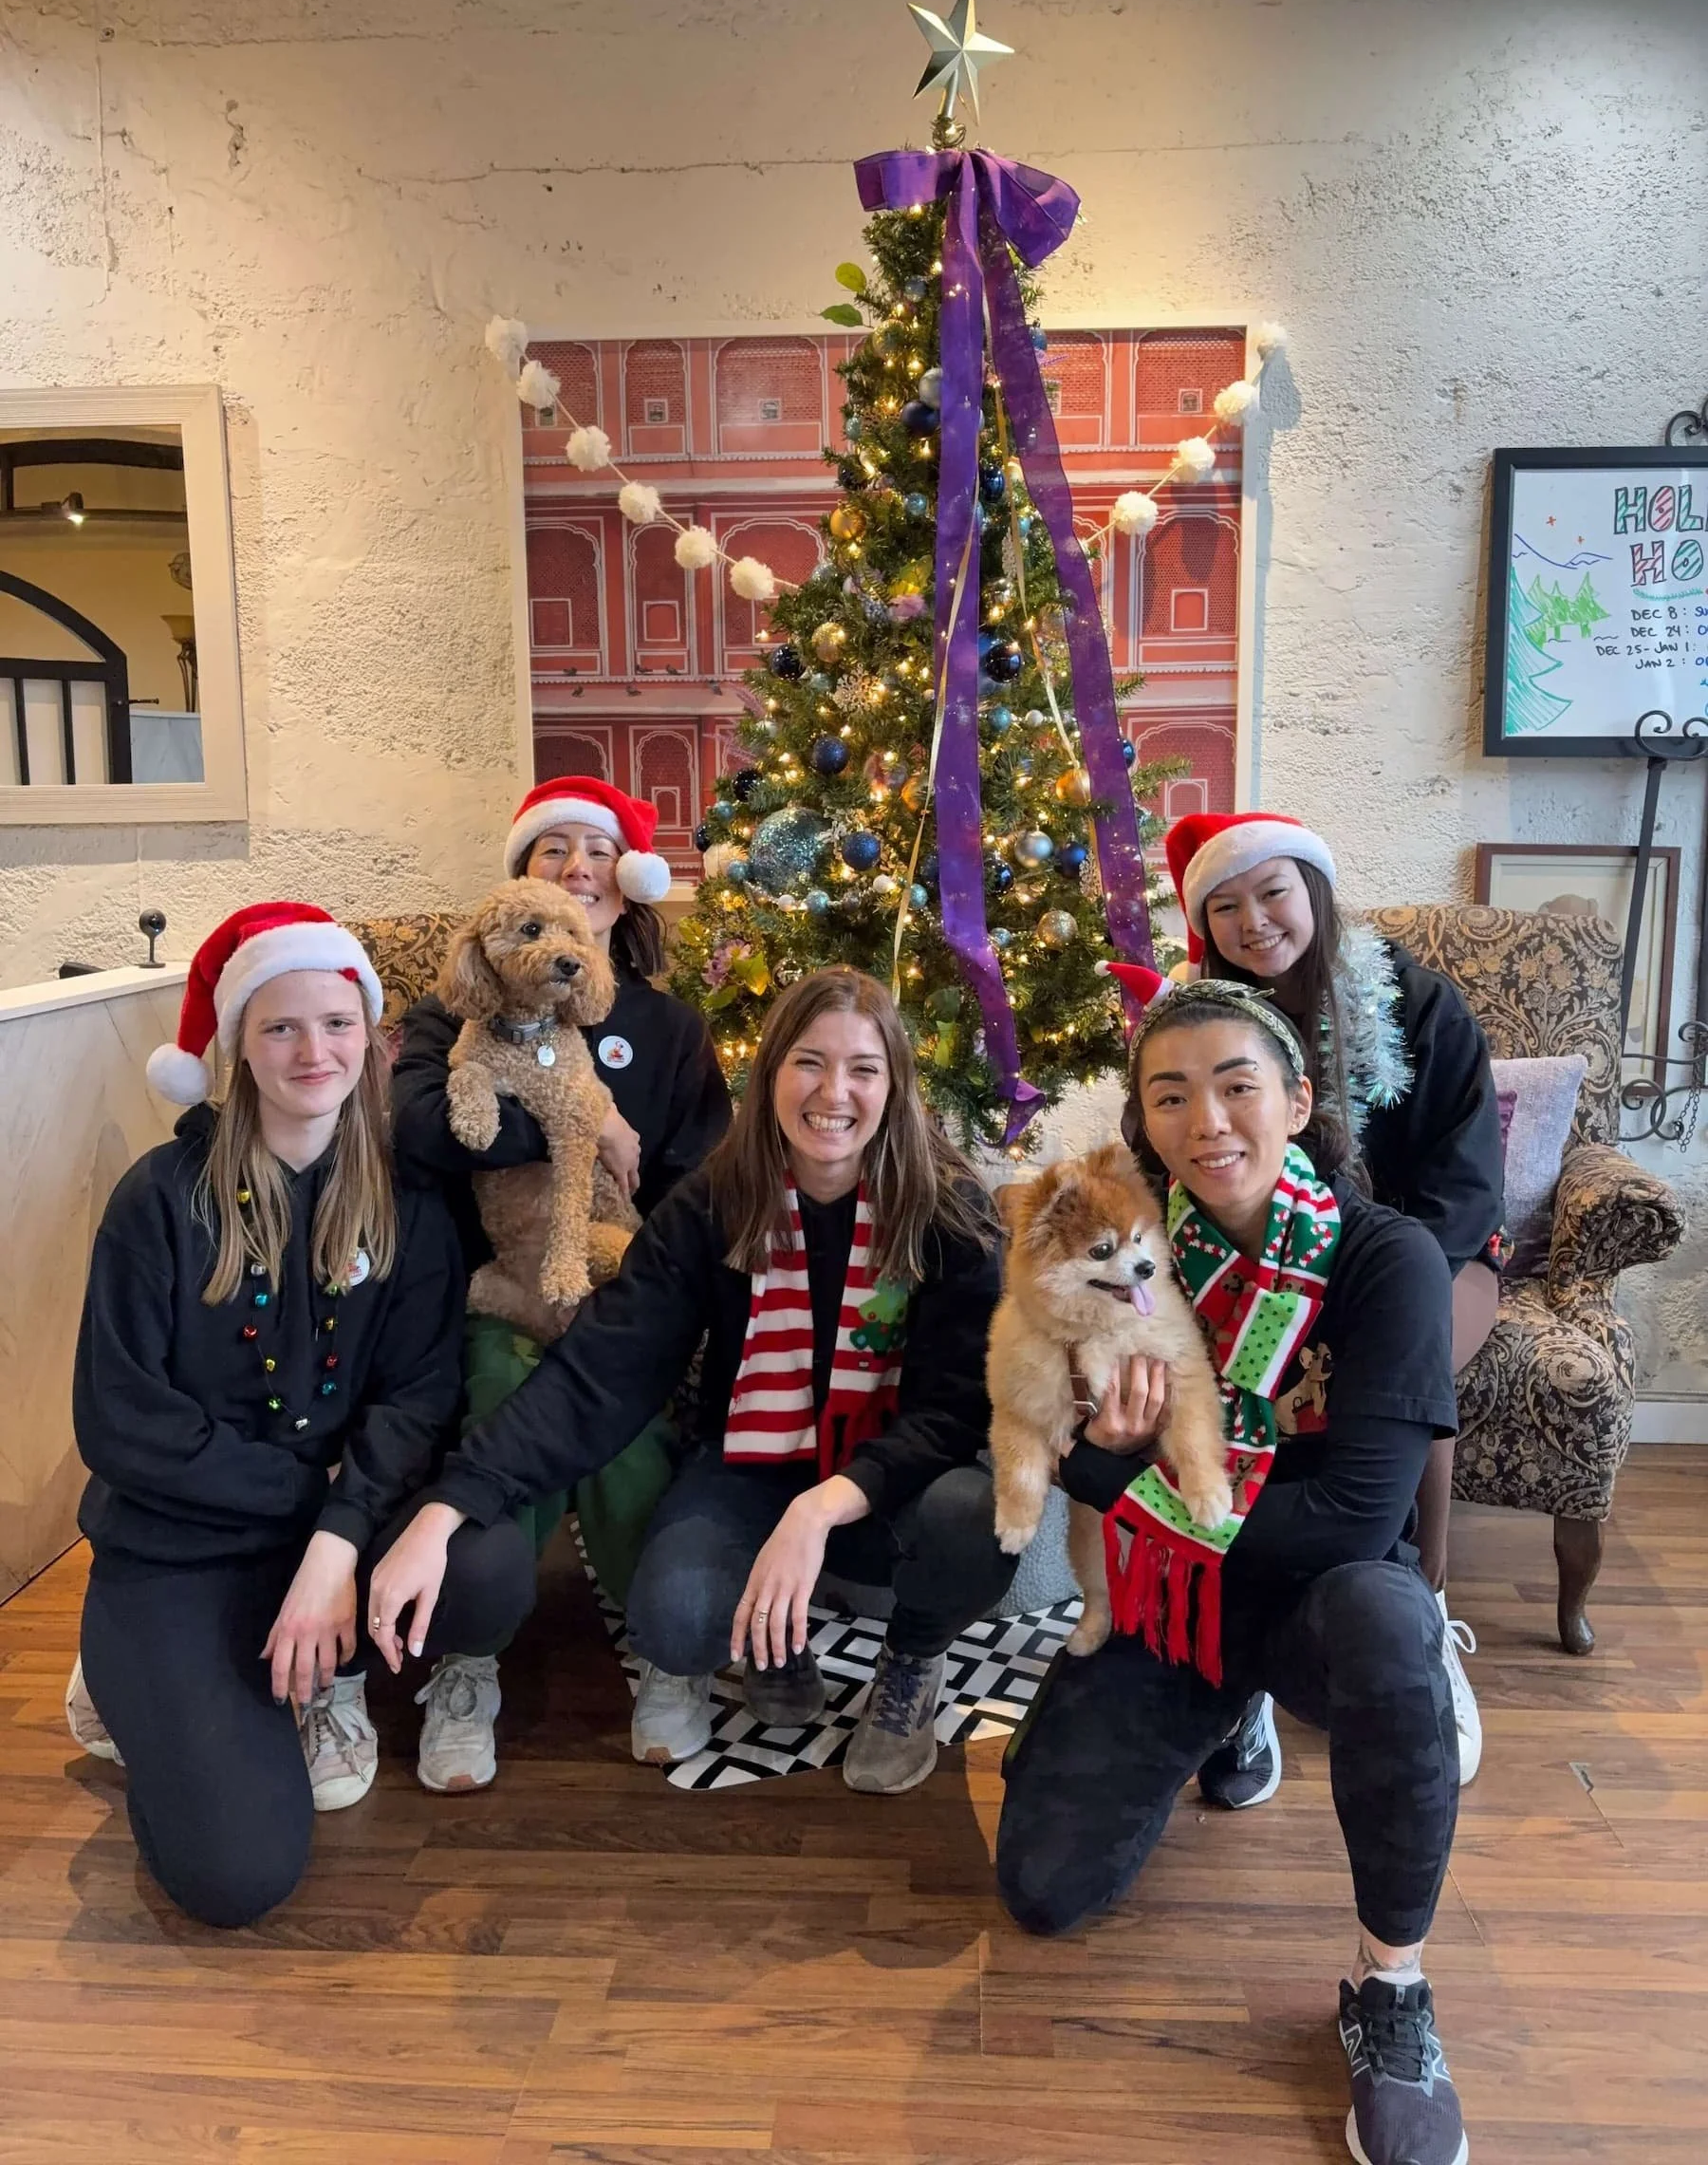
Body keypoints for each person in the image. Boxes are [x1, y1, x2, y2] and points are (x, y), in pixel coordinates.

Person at [997, 979, 1466, 2165]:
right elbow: (1028, 1407)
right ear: (1144, 1125)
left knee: (1383, 1613)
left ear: (1298, 1101)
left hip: (1316, 1596)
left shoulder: (1386, 1261)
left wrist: (1112, 1483)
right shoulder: (1125, 1257)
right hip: (1173, 1609)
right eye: (1171, 1095)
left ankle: (1393, 1990)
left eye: (1236, 1085)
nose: (1206, 1118)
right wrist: (1070, 1452)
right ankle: (1225, 1720)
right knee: (1043, 1891)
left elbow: (1358, 1517)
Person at [368, 966, 1016, 1795]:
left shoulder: (948, 1210)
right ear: (772, 1070)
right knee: (675, 1623)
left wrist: (821, 1507)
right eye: (809, 1063)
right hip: (753, 1459)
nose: (834, 1092)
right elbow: (606, 1365)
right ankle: (777, 1637)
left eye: (863, 1068)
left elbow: (957, 1410)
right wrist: (452, 1501)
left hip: (895, 1474)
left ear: (894, 1083)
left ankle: (912, 1658)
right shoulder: (719, 1200)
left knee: (977, 1520)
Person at [65, 903, 535, 1929]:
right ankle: (139, 1684)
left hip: (337, 1531)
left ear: (372, 1041)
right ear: (238, 1046)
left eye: (335, 1023)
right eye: (280, 1027)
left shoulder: (410, 1205)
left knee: (489, 1565)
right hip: (181, 1547)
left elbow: (418, 1397)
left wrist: (336, 1543)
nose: (312, 1050)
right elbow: (122, 1422)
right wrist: (311, 1500)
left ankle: (323, 1673)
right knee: (237, 1879)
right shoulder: (160, 1201)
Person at [1142, 810, 1504, 1797]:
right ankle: (1250, 1655)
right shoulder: (1196, 1023)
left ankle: (1422, 1615)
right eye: (1226, 906)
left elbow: (1466, 1179)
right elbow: (1155, 1157)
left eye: (1273, 894)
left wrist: (1372, 1293)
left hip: (1423, 1259)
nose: (1254, 922)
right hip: (1246, 1261)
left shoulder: (1419, 1003)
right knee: (1217, 1368)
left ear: (1314, 891)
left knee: (1403, 1363)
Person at [391, 775, 733, 1587]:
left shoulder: (670, 1028)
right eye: (555, 848)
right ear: (520, 883)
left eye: (602, 851)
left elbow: (695, 1184)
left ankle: (658, 1636)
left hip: (623, 1284)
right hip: (492, 1277)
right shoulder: (447, 1015)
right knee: (504, 1388)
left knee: (626, 1428)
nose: (579, 865)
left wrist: (634, 1289)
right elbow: (420, 1128)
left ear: (627, 887)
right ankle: (472, 1639)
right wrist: (582, 1116)